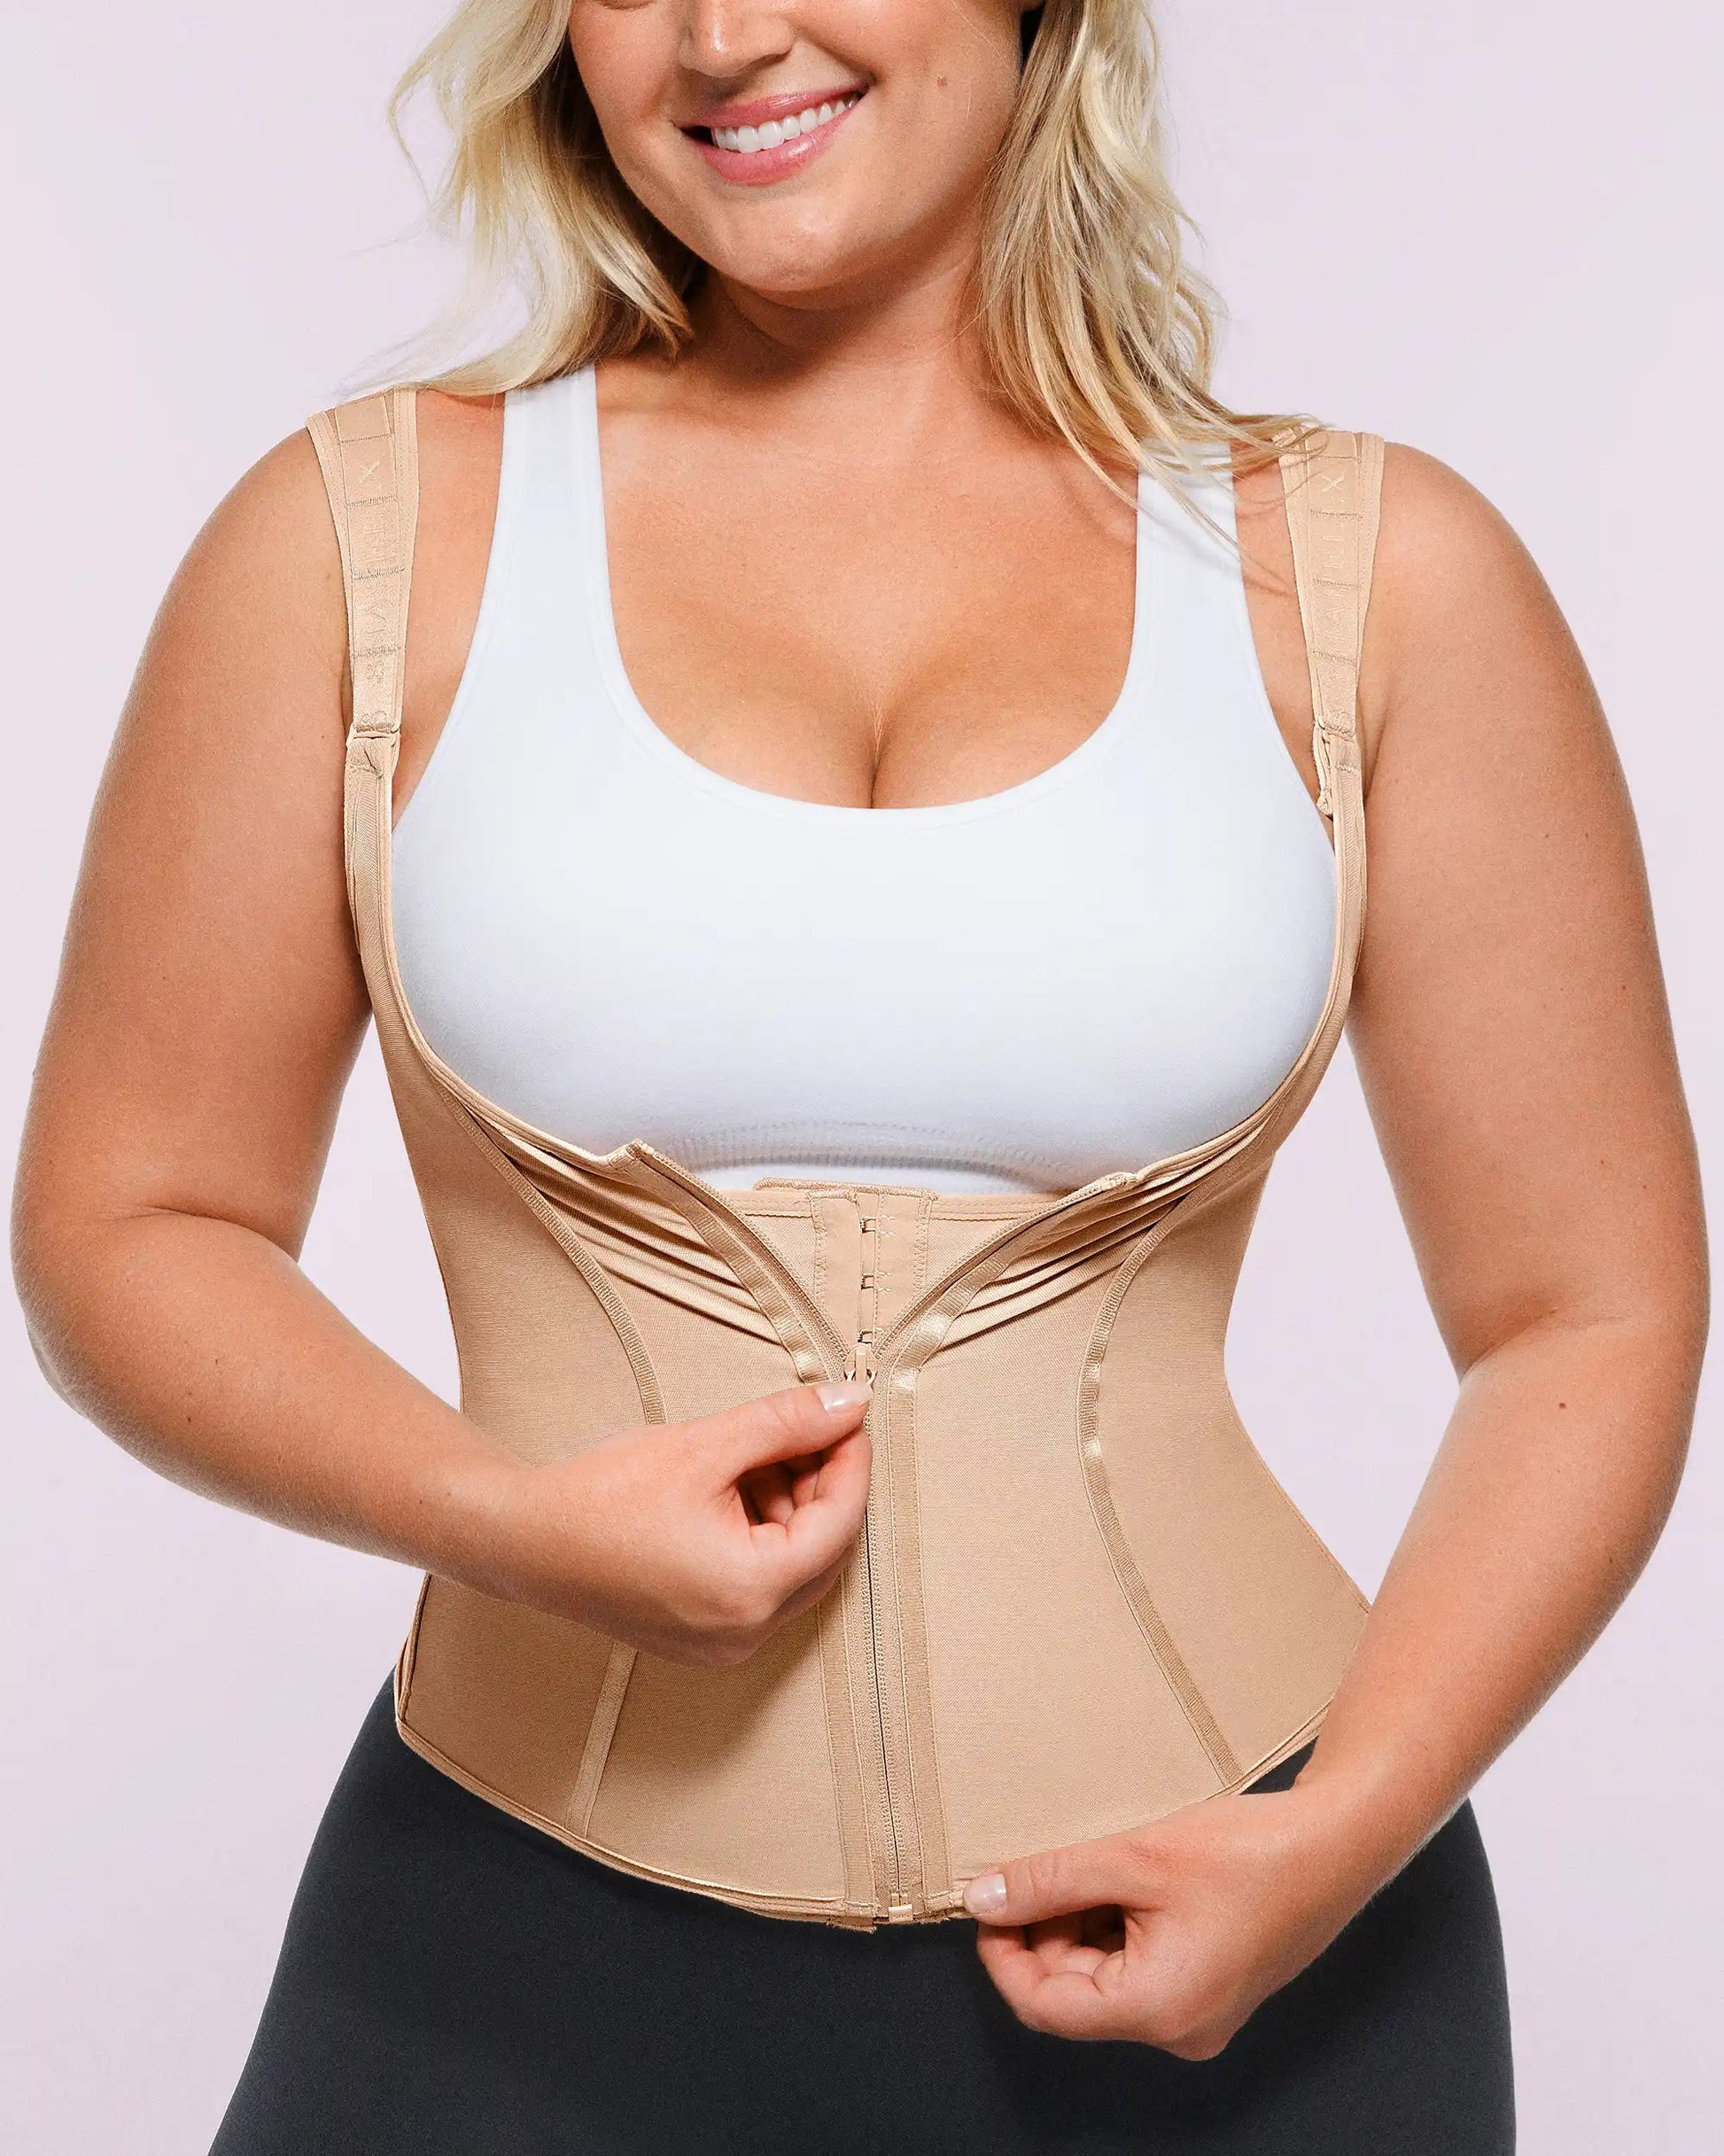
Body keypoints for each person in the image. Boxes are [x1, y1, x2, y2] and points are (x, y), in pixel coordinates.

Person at [12, 2, 1705, 2151]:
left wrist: (1341, 1827)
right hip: (509, 1940)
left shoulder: (1367, 578)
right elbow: (129, 1216)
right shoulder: (364, 537)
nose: (726, 35)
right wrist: (507, 1521)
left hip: (1247, 1952)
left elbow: (1587, 1307)